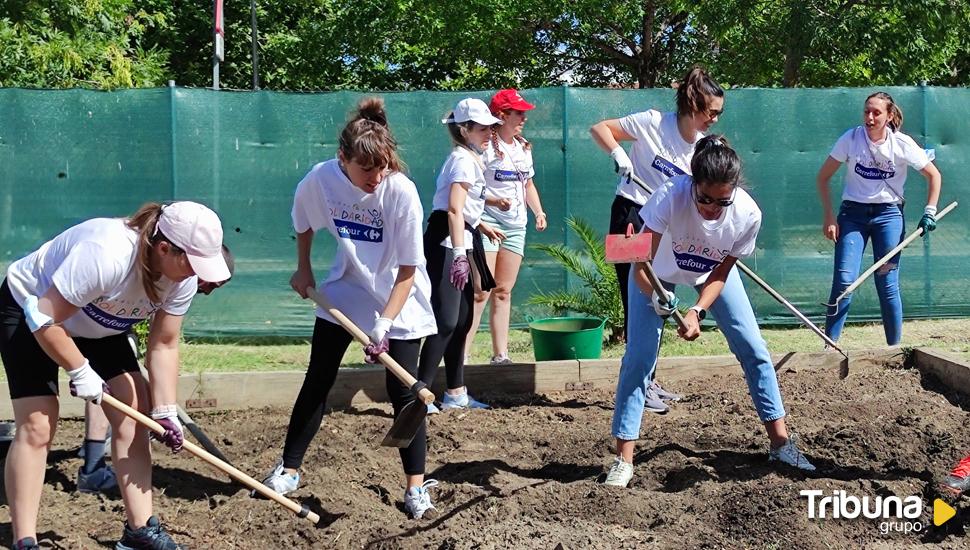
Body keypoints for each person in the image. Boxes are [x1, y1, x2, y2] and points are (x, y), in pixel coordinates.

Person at [0, 201, 230, 550]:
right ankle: (25, 540)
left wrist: (165, 409)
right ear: (164, 248)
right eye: (193, 264)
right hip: (31, 311)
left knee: (134, 413)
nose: (197, 276)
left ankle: (139, 533)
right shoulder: (106, 253)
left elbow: (164, 344)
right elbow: (44, 318)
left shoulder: (181, 274)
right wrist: (80, 369)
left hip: (100, 322)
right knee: (38, 424)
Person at [257, 98, 441, 519]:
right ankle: (288, 470)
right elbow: (302, 222)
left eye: (383, 167)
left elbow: (409, 270)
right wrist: (303, 269)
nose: (376, 178)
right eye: (366, 170)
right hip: (346, 291)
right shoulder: (321, 179)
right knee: (318, 377)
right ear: (343, 159)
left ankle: (415, 490)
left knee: (404, 393)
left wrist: (385, 323)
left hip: (400, 297)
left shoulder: (400, 191)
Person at [603, 136, 816, 488]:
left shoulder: (748, 215)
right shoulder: (670, 196)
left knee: (754, 348)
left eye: (722, 201)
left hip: (709, 271)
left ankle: (781, 443)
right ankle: (623, 460)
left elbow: (721, 272)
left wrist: (698, 311)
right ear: (693, 183)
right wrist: (657, 298)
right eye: (703, 198)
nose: (711, 208)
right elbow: (639, 264)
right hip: (655, 273)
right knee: (639, 357)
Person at [590, 66, 725, 414]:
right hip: (630, 215)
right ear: (694, 104)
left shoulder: (700, 149)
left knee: (662, 299)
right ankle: (637, 383)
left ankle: (648, 378)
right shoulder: (651, 122)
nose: (714, 119)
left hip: (666, 225)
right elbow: (600, 128)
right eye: (711, 112)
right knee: (636, 298)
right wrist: (618, 154)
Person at [76, 244, 235, 495]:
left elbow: (162, 342)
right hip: (87, 313)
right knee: (109, 384)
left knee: (130, 390)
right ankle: (93, 468)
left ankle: (96, 457)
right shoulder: (143, 267)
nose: (206, 291)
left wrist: (164, 410)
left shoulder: (180, 284)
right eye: (211, 284)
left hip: (117, 320)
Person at [817, 91, 942, 346]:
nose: (870, 117)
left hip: (889, 215)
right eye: (867, 112)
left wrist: (930, 211)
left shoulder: (902, 144)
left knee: (887, 282)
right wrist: (830, 216)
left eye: (877, 113)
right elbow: (823, 177)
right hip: (852, 215)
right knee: (844, 282)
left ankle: (894, 350)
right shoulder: (851, 139)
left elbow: (934, 176)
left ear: (890, 116)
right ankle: (829, 349)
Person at [417, 98, 503, 412]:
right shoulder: (463, 160)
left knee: (463, 319)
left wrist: (482, 226)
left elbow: (465, 209)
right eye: (482, 128)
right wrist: (458, 254)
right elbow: (452, 210)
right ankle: (420, 394)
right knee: (447, 320)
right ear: (464, 130)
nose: (488, 133)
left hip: (462, 239)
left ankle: (455, 393)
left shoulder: (470, 157)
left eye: (490, 127)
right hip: (446, 243)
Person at [464, 89, 547, 365]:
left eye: (523, 112)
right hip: (487, 224)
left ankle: (500, 355)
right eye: (518, 112)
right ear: (502, 115)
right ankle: (461, 356)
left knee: (503, 290)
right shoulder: (486, 147)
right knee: (480, 290)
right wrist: (493, 201)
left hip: (516, 227)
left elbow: (528, 185)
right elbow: (470, 188)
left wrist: (538, 211)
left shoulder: (524, 148)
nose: (524, 117)